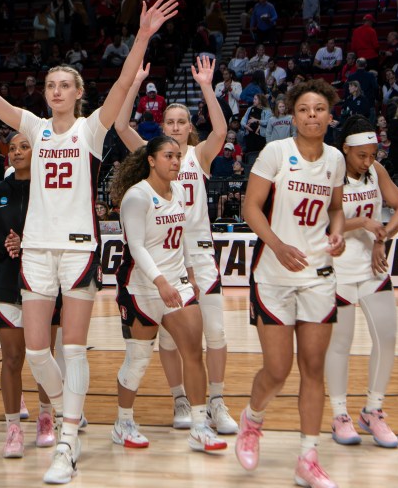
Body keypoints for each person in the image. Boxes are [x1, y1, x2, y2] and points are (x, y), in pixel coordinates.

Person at [0, 0, 178, 483]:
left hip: (77, 250)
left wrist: (142, 35)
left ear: (78, 92)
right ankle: (64, 409)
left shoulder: (90, 130)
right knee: (38, 354)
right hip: (35, 251)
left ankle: (69, 441)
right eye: (51, 85)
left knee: (71, 350)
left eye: (64, 85)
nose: (56, 90)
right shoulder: (33, 127)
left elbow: (122, 85)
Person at [115, 57, 237, 436]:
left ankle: (216, 401)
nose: (176, 127)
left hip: (198, 254)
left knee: (214, 333)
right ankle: (180, 398)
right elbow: (119, 124)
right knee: (169, 337)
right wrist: (134, 82)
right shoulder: (154, 156)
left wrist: (206, 85)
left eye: (182, 122)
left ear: (189, 127)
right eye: (169, 122)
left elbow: (221, 127)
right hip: (165, 256)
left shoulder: (198, 157)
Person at [235, 79, 346, 487]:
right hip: (274, 275)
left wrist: (337, 232)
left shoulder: (335, 159)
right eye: (304, 109)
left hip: (317, 275)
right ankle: (253, 419)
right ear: (293, 115)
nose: (312, 115)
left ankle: (307, 457)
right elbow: (250, 207)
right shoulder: (276, 152)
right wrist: (278, 245)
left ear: (329, 116)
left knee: (313, 368)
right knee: (278, 371)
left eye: (319, 109)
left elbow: (335, 209)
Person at [109, 134, 227, 452]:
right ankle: (123, 422)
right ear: (151, 160)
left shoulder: (177, 192)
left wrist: (187, 273)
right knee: (138, 361)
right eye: (168, 157)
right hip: (142, 288)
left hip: (176, 285)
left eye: (178, 156)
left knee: (193, 351)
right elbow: (136, 247)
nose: (175, 162)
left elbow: (182, 237)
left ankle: (200, 426)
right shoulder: (137, 197)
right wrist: (160, 281)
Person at [324, 114, 398, 449]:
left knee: (386, 338)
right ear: (345, 149)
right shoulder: (329, 173)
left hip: (372, 270)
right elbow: (321, 222)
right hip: (338, 271)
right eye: (362, 155)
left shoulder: (376, 172)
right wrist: (361, 221)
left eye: (373, 154)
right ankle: (340, 414)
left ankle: (373, 410)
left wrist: (381, 237)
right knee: (340, 345)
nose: (368, 160)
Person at [0, 132, 60, 458]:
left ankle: (45, 418)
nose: (17, 151)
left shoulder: (51, 190)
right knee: (11, 360)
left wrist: (31, 243)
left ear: (37, 151)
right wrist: (5, 246)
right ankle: (12, 428)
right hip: (7, 283)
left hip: (46, 284)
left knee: (43, 359)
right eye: (12, 147)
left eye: (24, 146)